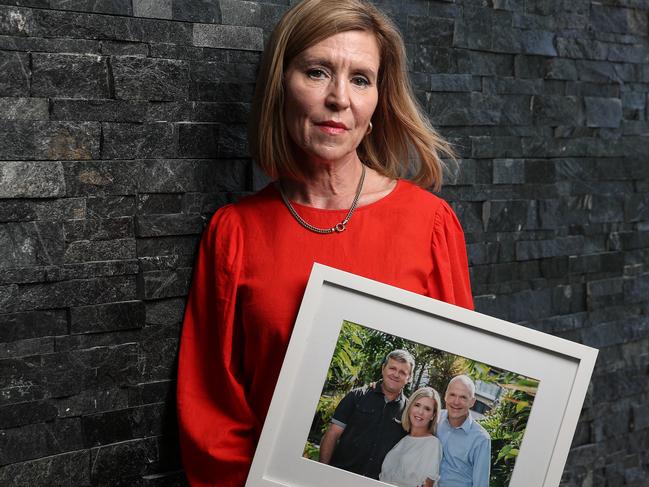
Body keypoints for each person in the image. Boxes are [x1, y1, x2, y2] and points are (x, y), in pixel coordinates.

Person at [176, 0, 474, 485]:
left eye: (361, 78)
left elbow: (467, 363)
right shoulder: (235, 232)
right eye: (317, 72)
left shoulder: (431, 223)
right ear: (281, 88)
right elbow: (211, 413)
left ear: (379, 100)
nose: (340, 97)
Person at [318, 349, 415, 479]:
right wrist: (321, 471)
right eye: (392, 368)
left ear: (408, 378)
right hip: (339, 476)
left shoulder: (409, 412)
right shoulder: (356, 396)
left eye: (402, 372)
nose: (396, 374)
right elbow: (332, 434)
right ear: (383, 369)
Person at [380, 387, 443, 487]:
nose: (420, 412)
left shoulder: (432, 444)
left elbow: (428, 485)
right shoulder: (402, 439)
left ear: (433, 415)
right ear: (410, 407)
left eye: (427, 409)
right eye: (417, 405)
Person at [437, 375, 491, 487]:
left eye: (463, 397)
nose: (456, 402)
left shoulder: (481, 439)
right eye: (452, 395)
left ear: (472, 402)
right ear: (445, 396)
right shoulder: (434, 419)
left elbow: (481, 484)